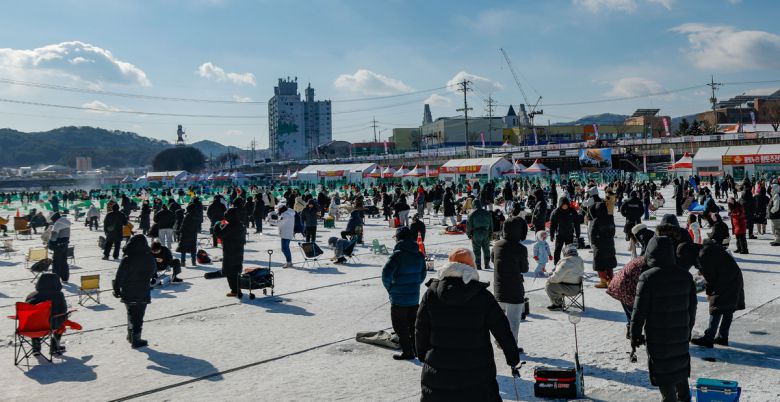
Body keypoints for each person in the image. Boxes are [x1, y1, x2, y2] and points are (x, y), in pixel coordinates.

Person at [415, 248, 520, 401]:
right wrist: (512, 358)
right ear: (471, 267)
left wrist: (422, 354)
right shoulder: (482, 296)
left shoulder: (431, 294)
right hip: (477, 374)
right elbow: (502, 330)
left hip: (439, 372)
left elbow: (421, 329)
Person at [630, 236, 697, 402]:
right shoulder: (685, 276)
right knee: (679, 368)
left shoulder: (647, 277)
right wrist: (688, 329)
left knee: (664, 372)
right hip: (681, 334)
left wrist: (634, 334)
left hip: (658, 337)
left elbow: (639, 311)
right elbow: (692, 308)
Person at [691, 227, 745, 348]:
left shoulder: (703, 255)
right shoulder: (707, 249)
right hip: (734, 276)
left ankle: (709, 338)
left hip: (726, 279)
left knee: (716, 306)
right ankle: (722, 337)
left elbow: (710, 278)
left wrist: (709, 292)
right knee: (728, 307)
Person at [381, 226, 427, 360]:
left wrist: (391, 289)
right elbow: (423, 275)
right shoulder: (419, 255)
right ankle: (417, 350)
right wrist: (414, 285)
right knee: (413, 326)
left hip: (398, 299)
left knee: (400, 327)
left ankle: (408, 352)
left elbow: (386, 275)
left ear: (398, 239)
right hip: (414, 297)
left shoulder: (397, 255)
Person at [113, 235, 156, 348]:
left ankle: (130, 335)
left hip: (128, 290)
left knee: (130, 313)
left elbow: (120, 275)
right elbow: (153, 271)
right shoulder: (149, 257)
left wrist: (116, 288)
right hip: (143, 290)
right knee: (138, 316)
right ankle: (136, 339)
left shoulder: (127, 258)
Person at [491, 217, 528, 352]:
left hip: (499, 286)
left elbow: (493, 260)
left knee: (500, 319)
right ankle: (511, 346)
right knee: (513, 320)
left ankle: (500, 340)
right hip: (514, 288)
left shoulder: (496, 245)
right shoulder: (521, 248)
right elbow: (524, 269)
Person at [607, 253, 650, 338]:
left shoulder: (645, 258)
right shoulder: (648, 265)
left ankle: (631, 332)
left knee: (632, 313)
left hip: (620, 283)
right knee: (635, 314)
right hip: (625, 287)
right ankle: (633, 335)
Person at [25, 273, 67, 356]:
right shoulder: (59, 295)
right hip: (51, 326)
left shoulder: (31, 295)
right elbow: (63, 310)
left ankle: (36, 347)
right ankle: (54, 347)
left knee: (34, 320)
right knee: (61, 320)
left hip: (32, 328)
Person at [213, 207, 246, 296]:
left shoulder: (231, 225)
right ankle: (238, 289)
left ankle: (235, 290)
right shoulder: (240, 224)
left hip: (230, 251)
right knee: (236, 271)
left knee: (230, 272)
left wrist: (216, 226)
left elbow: (220, 234)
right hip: (239, 251)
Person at [546, 244, 585, 311]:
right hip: (578, 288)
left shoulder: (566, 262)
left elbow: (556, 278)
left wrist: (549, 278)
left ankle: (557, 304)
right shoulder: (579, 260)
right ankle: (559, 301)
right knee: (557, 283)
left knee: (549, 285)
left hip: (570, 289)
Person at [590, 201, 617, 288]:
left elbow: (592, 234)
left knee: (600, 264)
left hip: (600, 245)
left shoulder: (596, 220)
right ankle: (611, 280)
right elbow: (613, 231)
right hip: (610, 243)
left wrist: (594, 243)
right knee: (609, 263)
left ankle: (604, 281)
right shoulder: (610, 218)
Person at [549, 197, 580, 264]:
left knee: (570, 251)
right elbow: (552, 224)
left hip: (569, 234)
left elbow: (577, 223)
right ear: (560, 205)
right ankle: (556, 264)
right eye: (563, 205)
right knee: (557, 250)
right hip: (560, 234)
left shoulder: (572, 211)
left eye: (566, 205)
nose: (565, 207)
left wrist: (578, 233)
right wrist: (551, 235)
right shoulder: (556, 212)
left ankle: (569, 264)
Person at [466, 200, 493, 270]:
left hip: (476, 233)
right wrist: (491, 233)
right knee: (486, 249)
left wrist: (468, 233)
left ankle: (478, 265)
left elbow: (469, 225)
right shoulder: (487, 213)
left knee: (476, 250)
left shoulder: (472, 213)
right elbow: (491, 224)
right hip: (486, 232)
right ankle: (487, 264)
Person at [48, 212, 71, 282]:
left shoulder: (58, 223)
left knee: (56, 263)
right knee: (64, 261)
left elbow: (54, 235)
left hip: (58, 245)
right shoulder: (65, 221)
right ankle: (65, 278)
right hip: (65, 244)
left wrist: (51, 244)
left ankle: (55, 279)